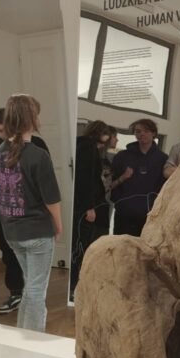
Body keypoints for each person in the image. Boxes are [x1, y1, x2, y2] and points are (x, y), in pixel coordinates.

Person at [0, 94, 62, 333]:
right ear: (32, 118)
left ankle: (23, 334)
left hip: (12, 230)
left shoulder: (0, 150)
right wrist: (58, 225)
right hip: (36, 231)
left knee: (29, 286)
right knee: (35, 290)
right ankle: (33, 339)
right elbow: (51, 198)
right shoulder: (38, 155)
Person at [0, 107, 49, 315]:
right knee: (10, 254)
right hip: (6, 212)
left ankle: (31, 298)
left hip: (28, 214)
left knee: (32, 261)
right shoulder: (0, 149)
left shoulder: (36, 147)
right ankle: (17, 293)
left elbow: (43, 183)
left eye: (1, 130)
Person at [71, 120, 110, 293]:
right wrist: (89, 207)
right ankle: (76, 286)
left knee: (80, 244)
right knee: (81, 246)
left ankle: (77, 284)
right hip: (84, 207)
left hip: (82, 205)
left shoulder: (82, 145)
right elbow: (85, 179)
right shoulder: (88, 148)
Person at [110, 118, 167, 237]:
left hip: (151, 215)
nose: (142, 134)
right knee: (122, 246)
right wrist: (120, 202)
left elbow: (166, 187)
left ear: (153, 133)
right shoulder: (122, 156)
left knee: (146, 247)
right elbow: (111, 182)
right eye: (138, 131)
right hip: (124, 214)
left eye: (146, 131)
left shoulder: (163, 159)